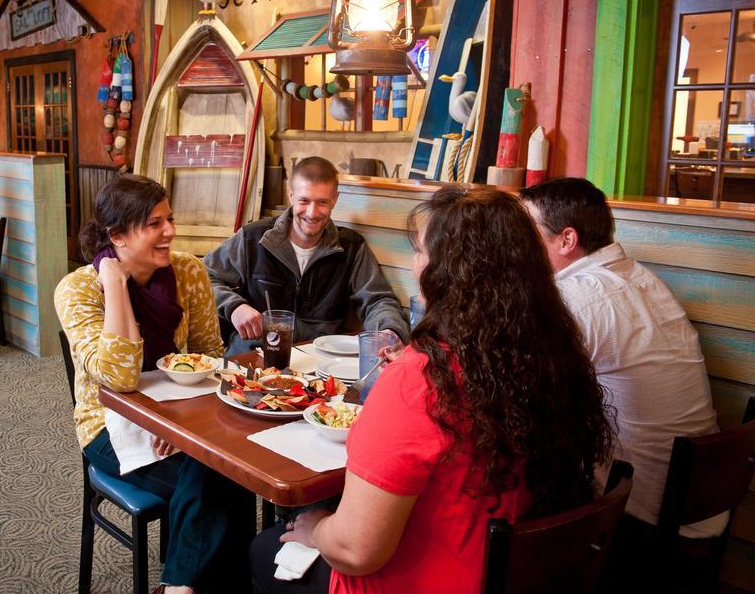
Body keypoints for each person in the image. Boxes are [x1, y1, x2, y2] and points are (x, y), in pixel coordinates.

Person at [249, 186, 613, 594]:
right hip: (522, 572)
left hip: (432, 578)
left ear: (450, 271)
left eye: (420, 250)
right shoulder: (549, 351)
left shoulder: (419, 377)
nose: (413, 262)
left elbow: (355, 551)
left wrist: (317, 529)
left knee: (264, 550)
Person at [520, 177, 724, 588]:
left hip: (641, 515)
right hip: (701, 503)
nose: (518, 247)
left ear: (567, 240)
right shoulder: (640, 278)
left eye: (526, 235)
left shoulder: (579, 296)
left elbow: (518, 389)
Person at [54, 175, 254, 594]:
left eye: (170, 219)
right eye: (154, 224)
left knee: (228, 467)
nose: (170, 232)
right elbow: (118, 376)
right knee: (219, 474)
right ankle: (190, 587)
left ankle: (182, 586)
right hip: (108, 426)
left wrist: (179, 425)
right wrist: (115, 286)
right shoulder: (77, 290)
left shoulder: (188, 271)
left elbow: (209, 358)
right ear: (117, 236)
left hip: (178, 415)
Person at [204, 156, 407, 354]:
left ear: (335, 199)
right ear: (290, 195)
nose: (312, 212)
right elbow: (203, 277)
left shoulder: (352, 248)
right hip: (252, 358)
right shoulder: (252, 238)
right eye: (304, 200)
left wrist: (388, 332)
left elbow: (378, 300)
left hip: (321, 365)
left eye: (322, 202)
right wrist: (234, 307)